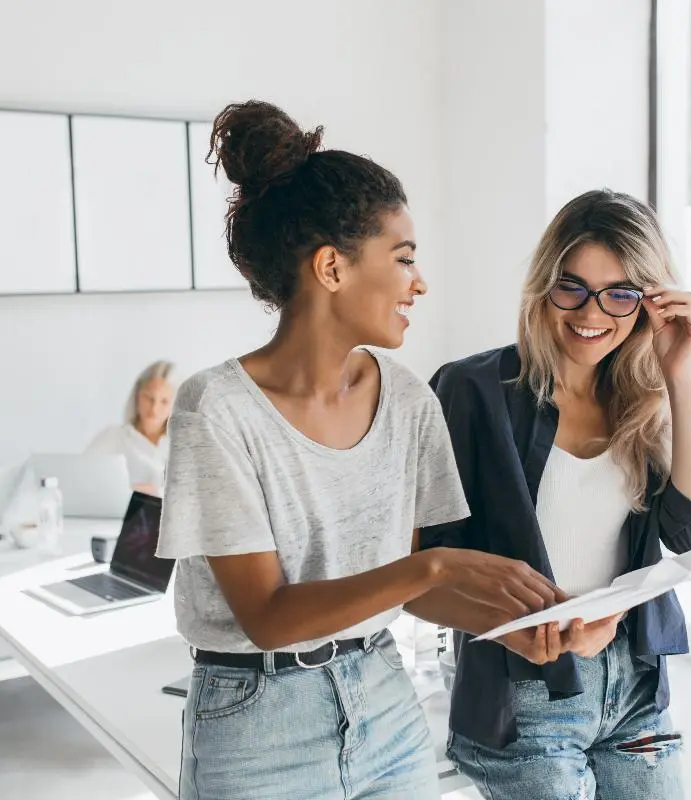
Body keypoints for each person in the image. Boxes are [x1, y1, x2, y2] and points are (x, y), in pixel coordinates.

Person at [156, 100, 564, 800]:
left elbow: (395, 596)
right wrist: (433, 564)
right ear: (332, 268)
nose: (420, 282)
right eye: (404, 259)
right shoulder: (215, 410)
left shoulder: (409, 403)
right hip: (256, 723)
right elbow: (269, 616)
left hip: (382, 700)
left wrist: (510, 628)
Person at [420, 189, 691, 799]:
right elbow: (424, 566)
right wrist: (515, 629)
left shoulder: (646, 398)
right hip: (524, 693)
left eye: (620, 293)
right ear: (544, 285)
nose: (593, 311)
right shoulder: (471, 390)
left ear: (647, 302)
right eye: (573, 287)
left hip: (635, 688)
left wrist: (681, 376)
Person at [85, 360, 177, 496]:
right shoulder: (113, 437)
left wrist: (156, 492)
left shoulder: (184, 445)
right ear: (137, 396)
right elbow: (83, 479)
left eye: (164, 401)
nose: (154, 408)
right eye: (148, 398)